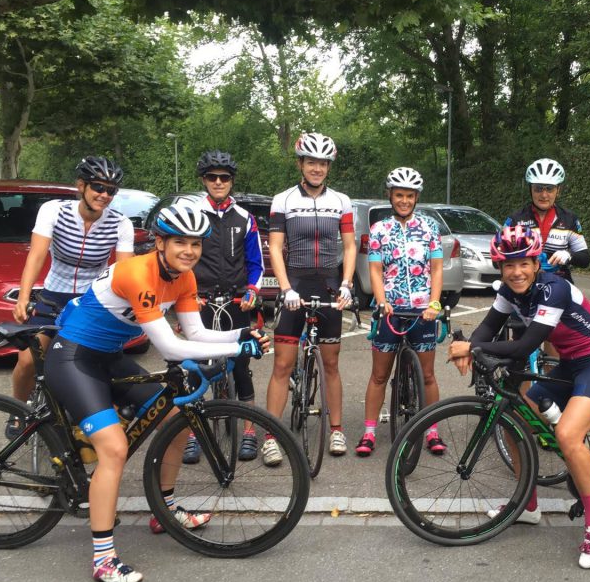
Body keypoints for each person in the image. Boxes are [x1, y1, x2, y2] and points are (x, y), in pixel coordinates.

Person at [43, 204, 270, 582]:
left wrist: (239, 335)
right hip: (74, 358)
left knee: (175, 416)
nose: (189, 251)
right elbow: (169, 346)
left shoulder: (184, 277)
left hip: (109, 357)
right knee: (114, 448)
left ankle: (164, 509)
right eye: (180, 242)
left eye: (196, 244)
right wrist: (237, 350)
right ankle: (103, 559)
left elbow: (195, 334)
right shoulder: (137, 273)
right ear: (160, 243)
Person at [449, 225, 590, 570]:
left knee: (567, 435)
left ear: (536, 264)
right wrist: (471, 344)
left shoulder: (553, 289)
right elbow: (489, 326)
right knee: (513, 421)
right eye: (508, 265)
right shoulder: (510, 290)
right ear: (500, 267)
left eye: (524, 264)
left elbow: (526, 345)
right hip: (571, 365)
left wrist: (472, 348)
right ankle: (527, 505)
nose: (516, 272)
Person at [10, 156, 134, 434]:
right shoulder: (54, 211)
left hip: (92, 301)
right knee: (27, 361)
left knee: (94, 362)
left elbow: (124, 272)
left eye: (111, 190)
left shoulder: (120, 223)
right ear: (81, 186)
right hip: (54, 294)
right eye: (98, 187)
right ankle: (17, 410)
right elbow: (37, 256)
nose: (104, 195)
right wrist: (23, 297)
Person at [264, 133, 356, 463]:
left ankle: (336, 430)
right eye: (311, 162)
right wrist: (285, 288)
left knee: (331, 363)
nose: (317, 168)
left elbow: (349, 246)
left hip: (329, 284)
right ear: (300, 164)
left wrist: (346, 284)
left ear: (328, 167)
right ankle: (270, 436)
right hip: (296, 284)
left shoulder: (342, 201)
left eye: (323, 164)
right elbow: (275, 247)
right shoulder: (283, 200)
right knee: (282, 364)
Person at [181, 150, 265, 464]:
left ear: (231, 181)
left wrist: (252, 291)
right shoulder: (192, 215)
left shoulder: (244, 218)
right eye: (212, 177)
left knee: (241, 365)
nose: (218, 182)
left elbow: (256, 264)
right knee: (194, 366)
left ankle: (249, 431)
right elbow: (181, 260)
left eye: (224, 177)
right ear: (204, 180)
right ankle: (192, 433)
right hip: (199, 299)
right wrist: (186, 295)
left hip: (235, 300)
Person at [355, 167, 445, 456]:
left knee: (427, 375)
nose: (404, 201)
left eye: (409, 196)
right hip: (390, 309)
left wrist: (434, 303)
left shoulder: (429, 227)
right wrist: (382, 301)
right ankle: (369, 432)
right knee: (379, 375)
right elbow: (375, 270)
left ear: (416, 197)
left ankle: (432, 430)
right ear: (390, 195)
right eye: (399, 195)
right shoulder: (379, 229)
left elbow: (437, 268)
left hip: (422, 311)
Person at [503, 158, 590, 281]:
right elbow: (497, 260)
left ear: (558, 190)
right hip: (524, 284)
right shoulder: (515, 220)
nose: (544, 195)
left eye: (549, 189)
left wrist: (569, 255)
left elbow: (585, 258)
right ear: (530, 189)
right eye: (538, 188)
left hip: (560, 284)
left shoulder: (569, 219)